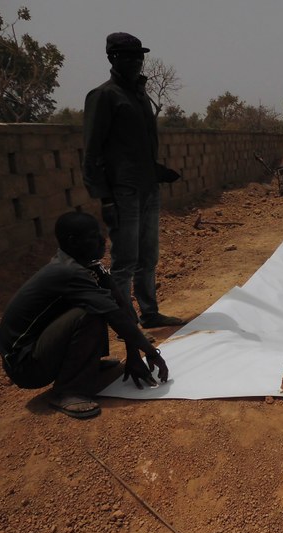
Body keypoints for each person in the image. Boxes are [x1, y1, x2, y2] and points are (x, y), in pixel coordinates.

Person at [0, 212, 170, 419]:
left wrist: (134, 354)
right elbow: (113, 314)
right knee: (90, 313)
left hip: (38, 349)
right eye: (93, 236)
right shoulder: (67, 271)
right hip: (25, 365)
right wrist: (150, 351)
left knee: (99, 304)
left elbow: (120, 305)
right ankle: (67, 391)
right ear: (73, 242)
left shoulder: (89, 265)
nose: (101, 241)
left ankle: (86, 365)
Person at [83, 32, 184, 330]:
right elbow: (92, 153)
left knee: (148, 257)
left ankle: (150, 313)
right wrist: (105, 197)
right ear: (112, 59)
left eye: (139, 57)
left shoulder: (139, 96)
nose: (136, 62)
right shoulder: (104, 96)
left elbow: (136, 148)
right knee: (125, 260)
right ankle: (125, 324)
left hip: (148, 188)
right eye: (128, 57)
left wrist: (158, 171)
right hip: (123, 192)